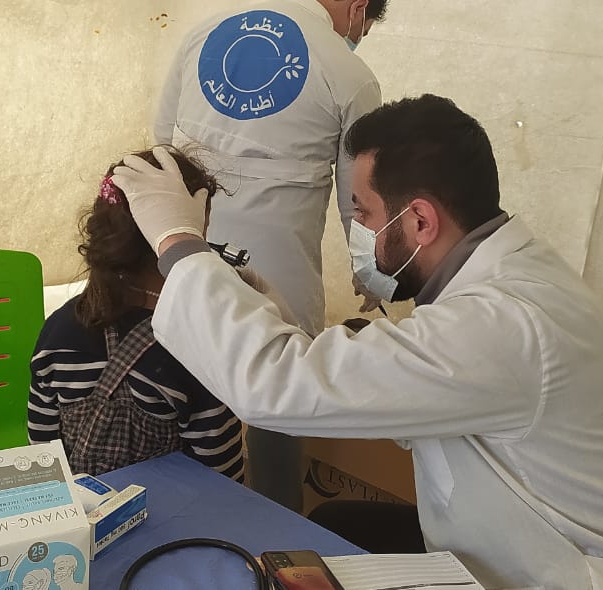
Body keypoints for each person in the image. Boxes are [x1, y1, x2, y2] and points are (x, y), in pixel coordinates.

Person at [111, 96, 603, 589]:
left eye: (363, 213)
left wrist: (178, 244)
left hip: (585, 574)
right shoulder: (509, 277)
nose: (358, 231)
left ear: (421, 221)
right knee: (337, 523)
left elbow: (276, 387)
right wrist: (248, 299)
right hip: (532, 541)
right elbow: (379, 373)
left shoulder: (506, 322)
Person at [153, 0, 390, 511]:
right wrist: (371, 274)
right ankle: (278, 524)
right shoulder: (350, 74)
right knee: (282, 395)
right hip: (280, 260)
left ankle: (181, 509)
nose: (358, 37)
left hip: (192, 241)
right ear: (358, 8)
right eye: (365, 27)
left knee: (182, 378)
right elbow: (360, 198)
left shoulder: (200, 35)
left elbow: (162, 147)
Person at [26, 147, 244, 483]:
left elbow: (42, 456)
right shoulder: (195, 348)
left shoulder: (58, 330)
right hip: (175, 515)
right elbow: (224, 479)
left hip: (77, 511)